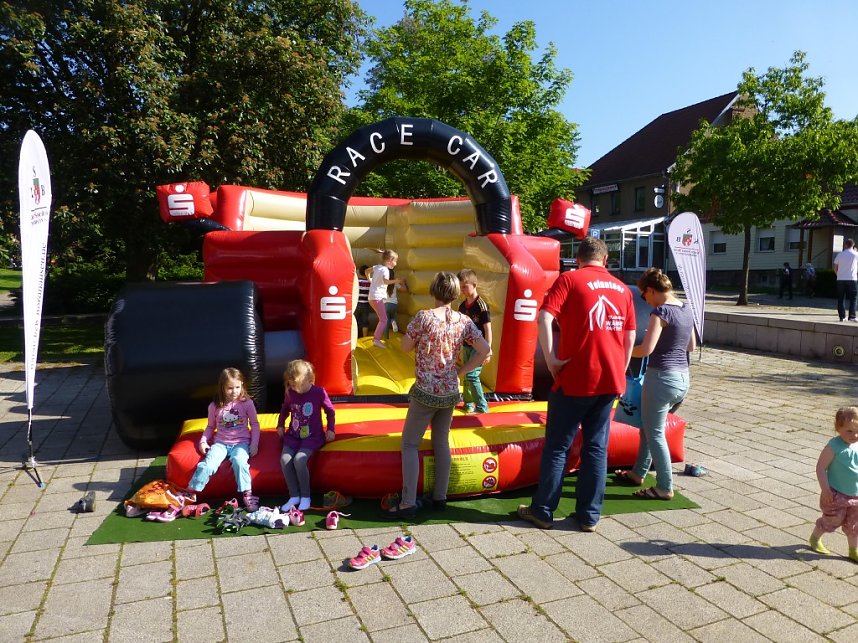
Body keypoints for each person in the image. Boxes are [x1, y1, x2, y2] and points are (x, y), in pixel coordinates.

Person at [518, 236, 635, 532]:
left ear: (579, 259)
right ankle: (588, 516)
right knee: (596, 448)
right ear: (605, 260)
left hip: (575, 378)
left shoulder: (569, 280)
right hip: (609, 380)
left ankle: (543, 511)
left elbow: (544, 317)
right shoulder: (622, 288)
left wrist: (551, 358)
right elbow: (630, 334)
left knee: (558, 447)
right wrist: (620, 368)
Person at [384, 271, 491, 519]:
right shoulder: (463, 321)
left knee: (410, 444)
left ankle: (408, 502)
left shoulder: (424, 318)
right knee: (441, 441)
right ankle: (440, 496)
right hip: (450, 391)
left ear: (433, 291)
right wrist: (461, 371)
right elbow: (485, 349)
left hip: (426, 390)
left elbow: (405, 347)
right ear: (455, 293)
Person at [614, 268, 695, 500]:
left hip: (661, 379)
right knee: (648, 427)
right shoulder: (686, 309)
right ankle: (638, 472)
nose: (645, 301)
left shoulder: (660, 312)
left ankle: (664, 487)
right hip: (682, 379)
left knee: (655, 433)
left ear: (651, 290)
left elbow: (646, 349)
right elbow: (691, 347)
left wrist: (622, 351)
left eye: (644, 295)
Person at [183, 367, 260, 511]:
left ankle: (247, 493)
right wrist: (203, 441)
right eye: (230, 388)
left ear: (242, 384)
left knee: (239, 461)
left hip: (241, 443)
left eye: (237, 387)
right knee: (208, 465)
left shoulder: (247, 403)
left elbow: (255, 424)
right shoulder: (214, 406)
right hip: (221, 443)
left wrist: (254, 443)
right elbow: (210, 427)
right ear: (222, 387)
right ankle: (190, 491)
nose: (234, 391)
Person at [276, 359, 335, 512]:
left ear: (309, 379)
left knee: (299, 460)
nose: (296, 389)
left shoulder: (318, 392)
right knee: (285, 459)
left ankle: (306, 496)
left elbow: (330, 411)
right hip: (293, 436)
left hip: (312, 437)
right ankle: (294, 495)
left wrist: (331, 429)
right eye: (292, 385)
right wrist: (280, 425)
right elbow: (285, 409)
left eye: (298, 385)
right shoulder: (291, 392)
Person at [808, 406, 858, 562]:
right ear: (838, 428)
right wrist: (825, 489)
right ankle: (815, 538)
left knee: (854, 524)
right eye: (849, 431)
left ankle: (853, 550)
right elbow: (820, 468)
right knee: (833, 519)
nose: (855, 435)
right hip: (836, 494)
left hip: (855, 495)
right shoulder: (834, 447)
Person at [457, 269, 492, 414]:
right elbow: (460, 330)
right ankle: (468, 403)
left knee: (472, 375)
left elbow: (488, 329)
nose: (462, 290)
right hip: (466, 346)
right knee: (466, 377)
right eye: (461, 287)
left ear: (474, 285)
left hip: (479, 349)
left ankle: (482, 407)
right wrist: (458, 349)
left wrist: (488, 350)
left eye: (465, 286)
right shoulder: (462, 306)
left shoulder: (481, 305)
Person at [369, 250, 402, 348]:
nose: (395, 264)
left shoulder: (377, 267)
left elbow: (367, 271)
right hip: (377, 298)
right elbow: (385, 281)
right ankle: (376, 340)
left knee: (382, 318)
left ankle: (376, 338)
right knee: (384, 319)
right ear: (389, 261)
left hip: (371, 298)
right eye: (395, 261)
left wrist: (369, 279)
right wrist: (396, 281)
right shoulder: (385, 270)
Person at [833, 238, 858, 321]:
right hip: (852, 278)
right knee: (853, 298)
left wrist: (838, 274)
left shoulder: (840, 254)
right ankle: (852, 316)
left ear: (845, 245)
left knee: (840, 298)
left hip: (840, 278)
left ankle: (842, 317)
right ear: (853, 245)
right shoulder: (856, 254)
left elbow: (835, 266)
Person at [383, 268, 407, 339]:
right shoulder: (395, 283)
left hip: (385, 304)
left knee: (385, 322)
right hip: (394, 304)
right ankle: (393, 321)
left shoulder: (383, 283)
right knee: (392, 316)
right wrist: (403, 283)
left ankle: (386, 338)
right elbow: (404, 289)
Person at [354, 265, 371, 337]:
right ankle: (364, 337)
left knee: (354, 321)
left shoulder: (356, 282)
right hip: (366, 304)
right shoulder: (370, 282)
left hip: (356, 304)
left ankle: (354, 336)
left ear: (359, 272)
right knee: (365, 322)